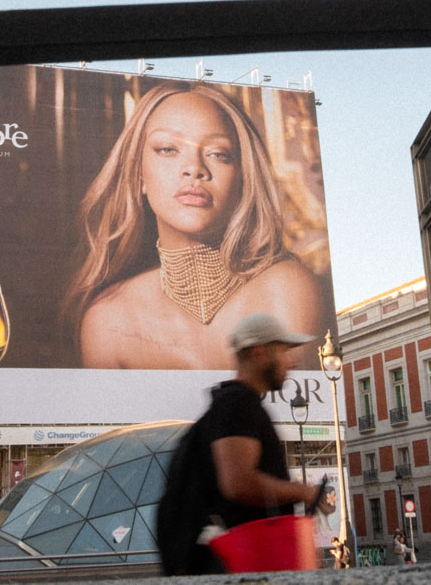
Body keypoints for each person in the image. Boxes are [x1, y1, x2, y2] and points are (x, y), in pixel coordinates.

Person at [63, 83, 327, 369]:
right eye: (167, 149)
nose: (194, 168)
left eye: (218, 153)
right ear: (138, 174)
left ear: (242, 179)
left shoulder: (286, 288)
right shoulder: (107, 319)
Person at [158, 312, 323, 574]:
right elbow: (238, 483)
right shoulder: (238, 404)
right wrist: (301, 492)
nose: (290, 363)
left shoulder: (234, 403)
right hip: (245, 562)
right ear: (259, 353)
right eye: (283, 351)